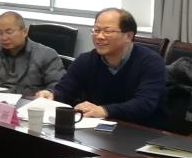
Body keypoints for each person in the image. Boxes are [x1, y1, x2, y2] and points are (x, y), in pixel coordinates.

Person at [37, 8, 167, 128]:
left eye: (108, 31)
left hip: (142, 130)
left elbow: (145, 104)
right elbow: (65, 90)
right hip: (97, 127)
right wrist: (52, 94)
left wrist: (104, 110)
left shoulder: (151, 62)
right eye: (96, 30)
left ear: (128, 36)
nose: (99, 36)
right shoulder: (86, 60)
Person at [0, 11, 65, 95]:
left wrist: (49, 92)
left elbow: (58, 85)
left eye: (9, 32)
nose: (4, 38)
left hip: (30, 104)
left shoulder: (46, 54)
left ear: (25, 32)